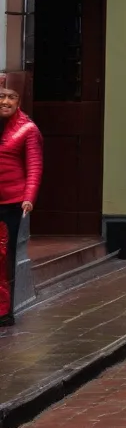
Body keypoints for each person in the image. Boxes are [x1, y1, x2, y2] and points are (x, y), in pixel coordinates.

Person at [0, 82, 42, 326]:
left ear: (18, 101)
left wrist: (29, 197)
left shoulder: (27, 130)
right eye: (1, 96)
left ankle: (5, 311)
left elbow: (34, 167)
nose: (5, 102)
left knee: (4, 257)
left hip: (12, 204)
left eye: (11, 97)